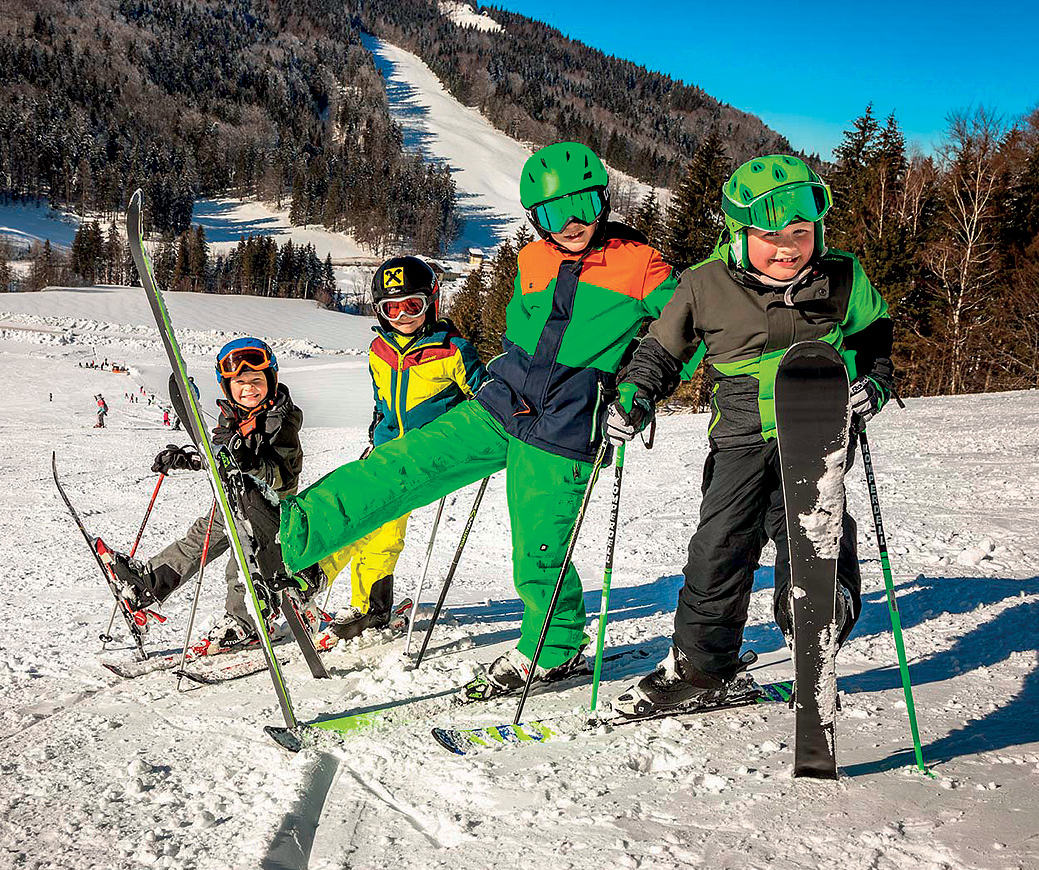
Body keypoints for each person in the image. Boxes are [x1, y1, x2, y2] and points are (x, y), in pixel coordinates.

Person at [278, 141, 677, 698]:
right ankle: (290, 535)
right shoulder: (532, 260)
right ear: (535, 218)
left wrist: (636, 385)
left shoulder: (641, 264)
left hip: (565, 426)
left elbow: (684, 327)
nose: (571, 223)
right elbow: (524, 329)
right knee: (400, 465)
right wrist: (492, 377)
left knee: (537, 549)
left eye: (582, 205)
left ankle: (553, 649)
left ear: (603, 201)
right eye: (553, 213)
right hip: (500, 404)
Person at [606, 154, 895, 715]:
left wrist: (875, 380)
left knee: (811, 527)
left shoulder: (841, 276)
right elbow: (662, 350)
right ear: (738, 234)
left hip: (817, 429)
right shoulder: (704, 283)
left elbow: (873, 332)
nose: (788, 248)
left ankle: (818, 616)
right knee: (719, 547)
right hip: (740, 434)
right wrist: (635, 394)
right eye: (770, 236)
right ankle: (701, 668)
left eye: (801, 232)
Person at [99, 338, 326, 655]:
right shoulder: (231, 416)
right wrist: (188, 459)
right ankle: (147, 587)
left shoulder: (281, 422)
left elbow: (281, 476)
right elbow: (220, 457)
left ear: (271, 381)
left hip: (268, 508)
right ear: (227, 386)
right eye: (240, 383)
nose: (249, 388)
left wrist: (249, 461)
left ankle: (245, 622)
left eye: (256, 380)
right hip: (234, 497)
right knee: (199, 539)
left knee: (242, 565)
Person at [315, 256, 487, 647]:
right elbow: (382, 400)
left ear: (432, 302)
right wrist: (377, 432)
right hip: (389, 451)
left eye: (412, 305)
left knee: (380, 517)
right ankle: (353, 594)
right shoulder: (379, 349)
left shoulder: (453, 350)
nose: (403, 316)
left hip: (430, 453)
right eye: (391, 308)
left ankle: (358, 600)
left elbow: (483, 398)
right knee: (354, 505)